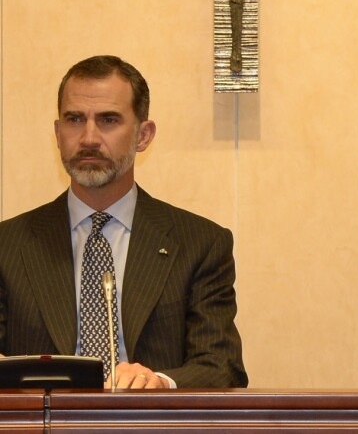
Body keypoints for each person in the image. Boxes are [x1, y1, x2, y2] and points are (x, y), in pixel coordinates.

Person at [0, 55, 248, 389]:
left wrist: (158, 382)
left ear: (143, 135)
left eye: (108, 120)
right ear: (58, 133)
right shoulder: (8, 245)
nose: (88, 138)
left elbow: (222, 367)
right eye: (74, 119)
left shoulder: (200, 243)